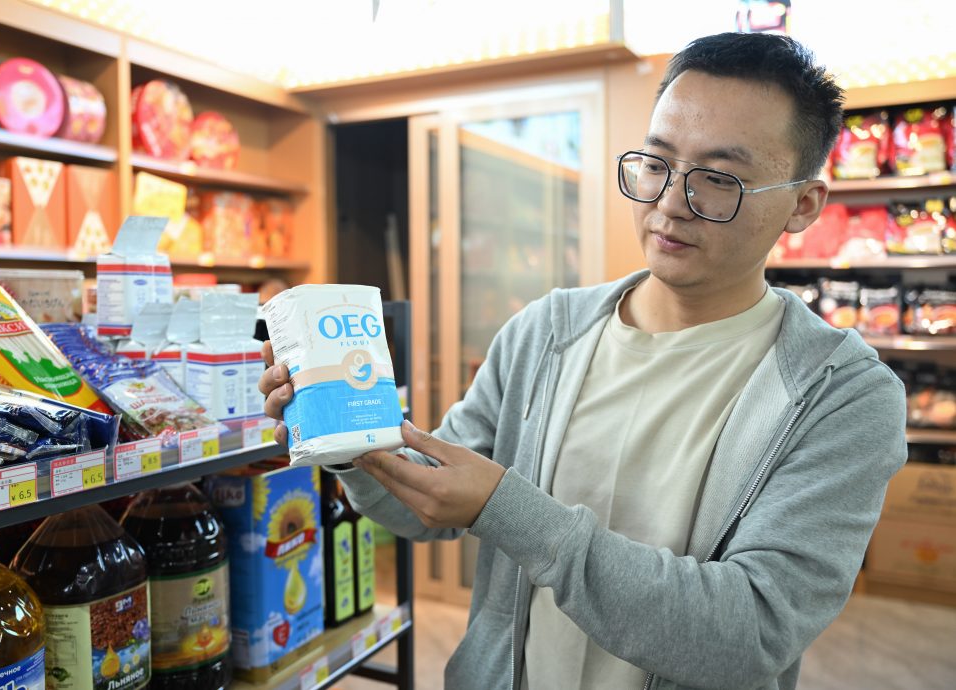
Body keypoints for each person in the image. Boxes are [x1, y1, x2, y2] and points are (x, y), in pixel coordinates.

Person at [259, 32, 906, 690]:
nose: (668, 202)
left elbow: (748, 632)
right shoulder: (545, 332)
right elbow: (423, 502)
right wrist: (342, 439)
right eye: (655, 163)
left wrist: (508, 510)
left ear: (803, 204)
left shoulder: (839, 395)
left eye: (718, 180)